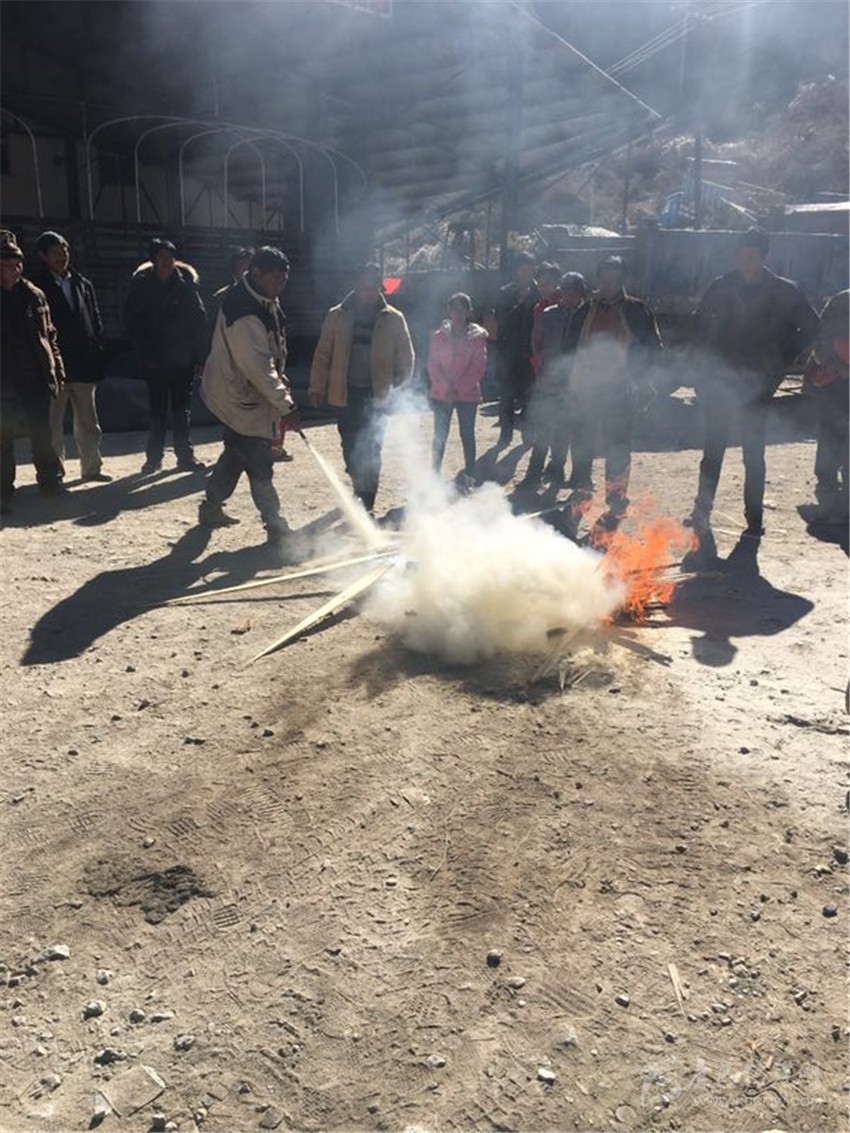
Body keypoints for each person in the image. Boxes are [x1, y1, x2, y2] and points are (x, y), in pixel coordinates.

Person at [686, 227, 819, 537]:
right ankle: (702, 510)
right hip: (720, 379)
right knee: (713, 451)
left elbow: (812, 327)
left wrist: (784, 354)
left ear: (765, 257)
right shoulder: (721, 287)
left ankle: (754, 518)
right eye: (743, 256)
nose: (747, 262)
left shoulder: (784, 290)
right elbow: (699, 329)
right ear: (736, 256)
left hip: (759, 382)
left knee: (753, 454)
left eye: (753, 257)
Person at [199, 247, 300, 545]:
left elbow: (271, 354)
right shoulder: (243, 311)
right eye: (276, 279)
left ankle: (210, 507)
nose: (281, 285)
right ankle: (276, 526)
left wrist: (281, 382)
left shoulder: (262, 297)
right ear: (256, 273)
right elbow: (258, 368)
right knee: (259, 462)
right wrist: (287, 406)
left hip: (248, 392)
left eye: (284, 279)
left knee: (236, 455)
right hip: (239, 394)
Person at [562, 255, 663, 527]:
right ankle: (582, 491)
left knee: (617, 449)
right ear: (598, 279)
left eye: (614, 279)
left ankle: (616, 501)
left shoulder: (636, 310)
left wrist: (643, 380)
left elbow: (653, 349)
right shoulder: (585, 311)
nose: (608, 284)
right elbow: (568, 349)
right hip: (586, 390)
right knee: (581, 445)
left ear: (621, 281)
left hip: (620, 391)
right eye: (604, 278)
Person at [308, 262, 414, 514]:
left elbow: (405, 357)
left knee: (373, 447)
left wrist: (398, 391)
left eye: (372, 286)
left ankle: (367, 502)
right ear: (355, 285)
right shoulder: (337, 315)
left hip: (377, 396)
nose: (368, 290)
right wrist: (316, 386)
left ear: (379, 287)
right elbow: (323, 353)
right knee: (349, 445)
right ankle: (359, 484)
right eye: (363, 285)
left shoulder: (393, 318)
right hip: (345, 394)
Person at [30, 230, 110, 483]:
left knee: (89, 421)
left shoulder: (82, 283)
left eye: (64, 250)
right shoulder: (35, 287)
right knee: (53, 424)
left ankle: (92, 468)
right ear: (43, 256)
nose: (62, 255)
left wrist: (97, 345)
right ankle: (55, 472)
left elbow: (95, 318)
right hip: (54, 365)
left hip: (84, 362)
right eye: (55, 252)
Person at [124, 238, 210, 474]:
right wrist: (143, 352)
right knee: (157, 412)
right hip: (155, 360)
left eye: (170, 257)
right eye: (162, 257)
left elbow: (199, 322)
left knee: (182, 411)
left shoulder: (185, 285)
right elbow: (132, 322)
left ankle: (185, 456)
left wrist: (200, 358)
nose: (167, 262)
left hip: (183, 360)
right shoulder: (141, 285)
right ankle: (154, 458)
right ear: (153, 260)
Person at [0, 230, 65, 512]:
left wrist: (56, 369)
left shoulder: (34, 295)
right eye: (7, 264)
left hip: (34, 377)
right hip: (4, 382)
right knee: (2, 441)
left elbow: (50, 336)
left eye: (17, 263)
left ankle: (50, 482)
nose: (14, 269)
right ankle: (3, 492)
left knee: (42, 434)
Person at [524, 271, 589, 487]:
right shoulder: (548, 314)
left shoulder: (588, 317)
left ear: (582, 294)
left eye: (575, 292)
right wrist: (545, 366)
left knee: (565, 429)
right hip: (549, 381)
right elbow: (536, 343)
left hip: (576, 383)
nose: (570, 296)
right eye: (567, 292)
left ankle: (558, 471)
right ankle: (533, 474)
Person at [427, 293, 488, 490]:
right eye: (454, 309)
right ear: (448, 311)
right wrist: (446, 388)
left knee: (467, 435)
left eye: (462, 309)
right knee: (440, 436)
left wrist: (458, 389)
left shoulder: (477, 338)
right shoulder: (438, 337)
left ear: (469, 312)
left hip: (467, 395)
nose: (458, 313)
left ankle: (469, 476)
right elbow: (433, 365)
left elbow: (478, 367)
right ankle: (434, 478)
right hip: (442, 394)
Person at [805, 288, 848, 523]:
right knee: (831, 432)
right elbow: (820, 340)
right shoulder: (842, 302)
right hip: (835, 382)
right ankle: (827, 486)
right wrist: (836, 367)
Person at [490, 250, 540, 448]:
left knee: (530, 397)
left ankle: (528, 435)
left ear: (534, 270)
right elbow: (502, 322)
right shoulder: (505, 293)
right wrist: (520, 302)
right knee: (507, 397)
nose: (524, 273)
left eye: (528, 269)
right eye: (521, 269)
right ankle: (505, 435)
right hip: (508, 354)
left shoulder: (540, 293)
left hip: (531, 354)